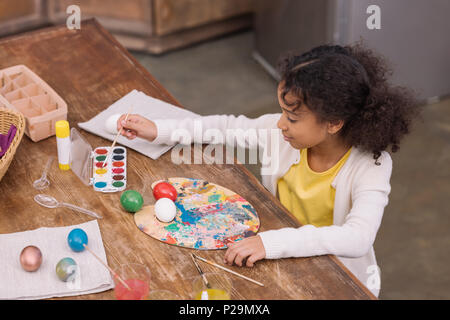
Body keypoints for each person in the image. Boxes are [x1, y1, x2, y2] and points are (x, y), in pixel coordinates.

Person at [117, 42, 420, 297]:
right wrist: (160, 130)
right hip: (278, 258)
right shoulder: (284, 136)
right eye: (282, 112)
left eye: (292, 117)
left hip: (334, 278)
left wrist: (271, 242)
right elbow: (225, 127)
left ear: (333, 123)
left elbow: (357, 238)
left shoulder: (372, 164)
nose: (279, 123)